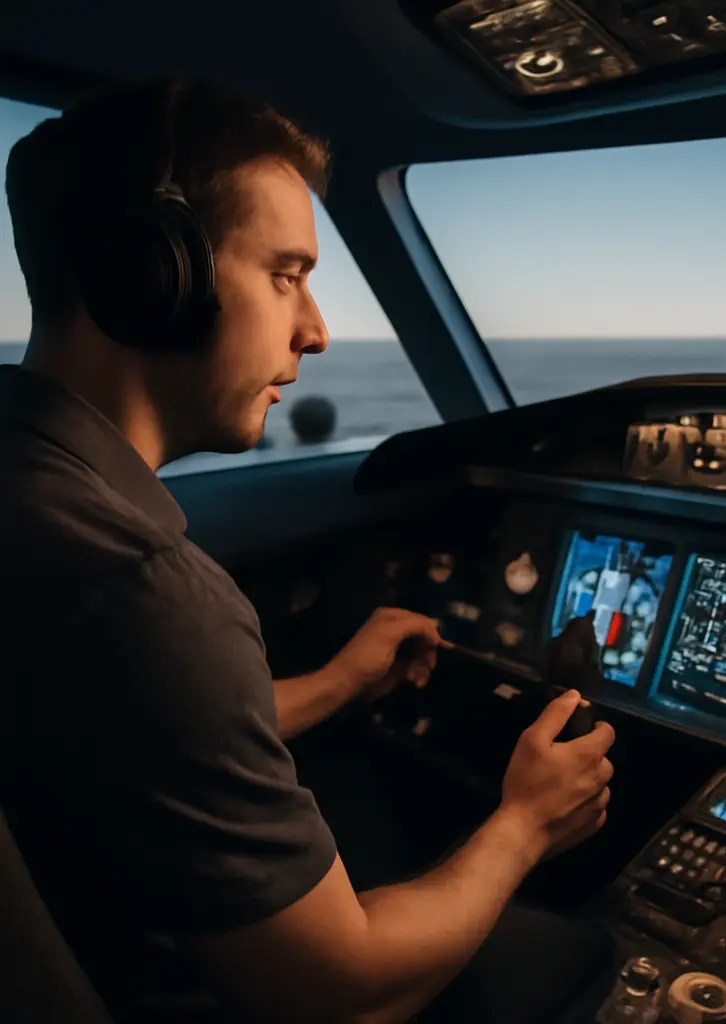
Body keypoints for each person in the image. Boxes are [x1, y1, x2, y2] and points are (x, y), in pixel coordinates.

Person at [0, 78, 615, 1023]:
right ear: (149, 277)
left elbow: (130, 731)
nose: (317, 330)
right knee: (582, 953)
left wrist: (334, 683)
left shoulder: (32, 493)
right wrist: (528, 822)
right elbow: (343, 992)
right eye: (286, 274)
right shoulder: (134, 585)